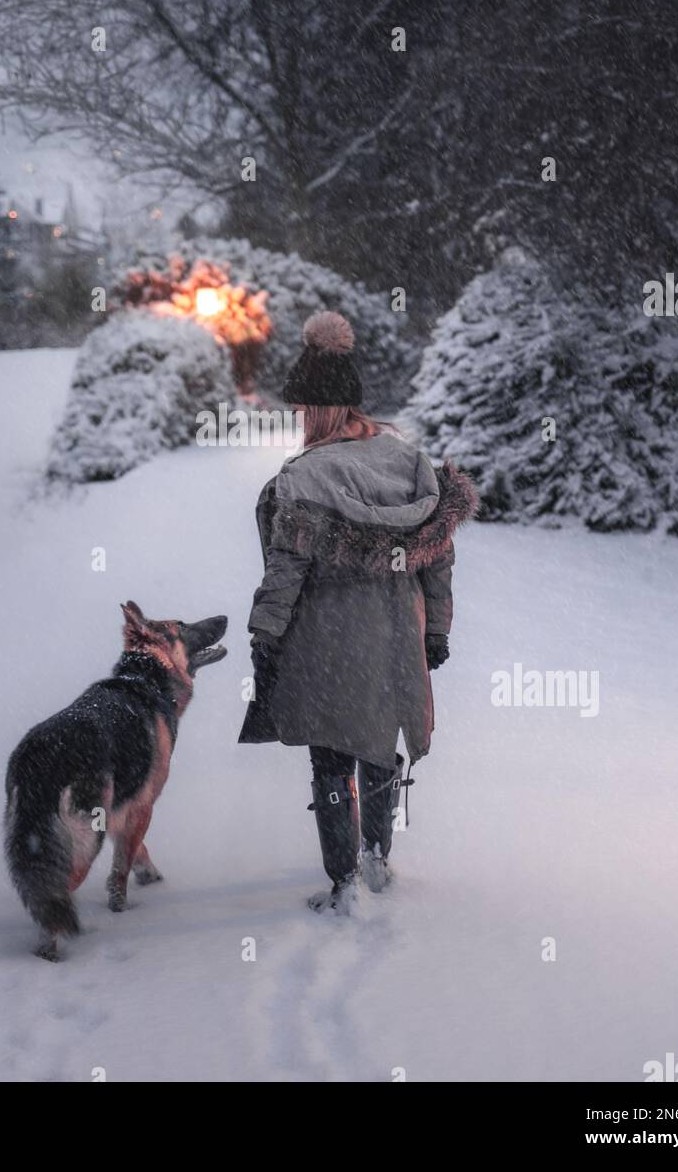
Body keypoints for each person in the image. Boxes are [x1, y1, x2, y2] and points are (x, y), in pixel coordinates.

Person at [239, 311, 477, 912]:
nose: (297, 421)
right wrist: (438, 630)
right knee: (378, 744)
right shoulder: (409, 462)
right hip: (398, 633)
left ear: (317, 410)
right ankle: (378, 858)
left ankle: (343, 885)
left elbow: (284, 572)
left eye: (301, 411)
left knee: (331, 753)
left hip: (327, 638)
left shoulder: (301, 478)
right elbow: (437, 557)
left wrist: (264, 639)